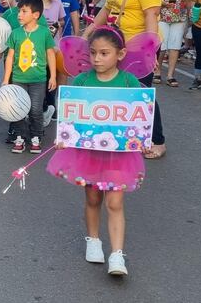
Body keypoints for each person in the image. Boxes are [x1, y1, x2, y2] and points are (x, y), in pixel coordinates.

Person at [46, 27, 146, 276]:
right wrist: (64, 136)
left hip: (119, 155)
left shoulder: (128, 82)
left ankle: (117, 255)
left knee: (115, 202)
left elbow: (141, 113)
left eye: (104, 53)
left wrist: (143, 137)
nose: (98, 59)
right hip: (88, 153)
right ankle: (93, 240)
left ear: (120, 54)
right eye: (93, 53)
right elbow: (70, 116)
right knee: (92, 198)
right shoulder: (81, 81)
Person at [85, 0, 166, 159]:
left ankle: (157, 140)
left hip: (140, 45)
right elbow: (105, 10)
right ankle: (123, 136)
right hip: (116, 42)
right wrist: (86, 34)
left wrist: (149, 49)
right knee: (117, 89)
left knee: (140, 91)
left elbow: (152, 14)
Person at [2, 0, 56, 154]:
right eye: (19, 11)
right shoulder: (15, 33)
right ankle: (19, 137)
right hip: (19, 79)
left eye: (24, 11)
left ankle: (36, 137)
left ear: (36, 15)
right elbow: (10, 57)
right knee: (18, 109)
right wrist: (6, 79)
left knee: (36, 110)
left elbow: (50, 54)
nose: (19, 14)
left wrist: (52, 76)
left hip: (38, 79)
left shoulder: (44, 33)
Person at [155, 0, 190, 87]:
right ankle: (157, 71)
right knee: (162, 46)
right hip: (163, 16)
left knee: (175, 46)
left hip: (179, 18)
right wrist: (164, 4)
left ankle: (170, 75)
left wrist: (189, 15)